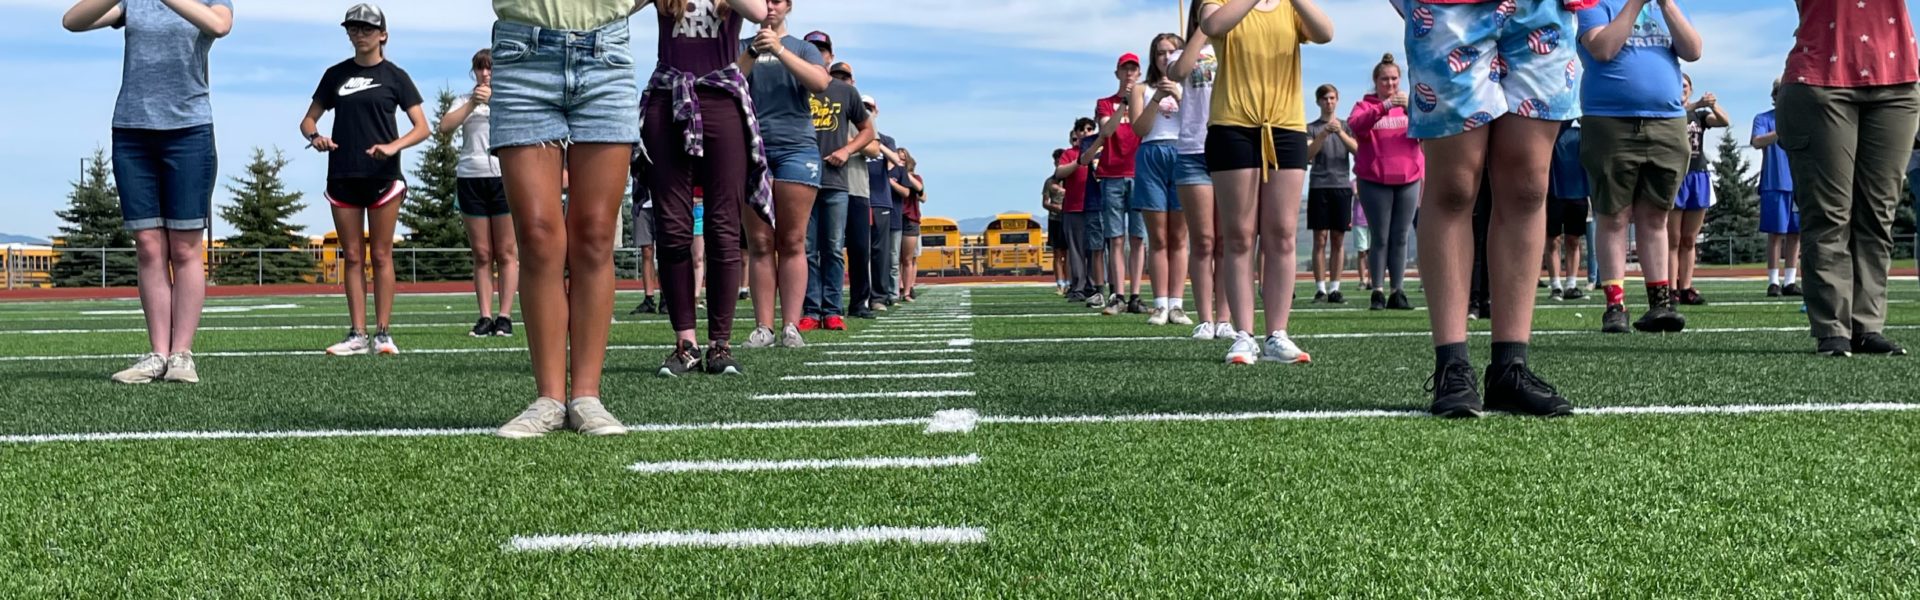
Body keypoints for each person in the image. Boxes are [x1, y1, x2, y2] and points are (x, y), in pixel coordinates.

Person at [491, 0, 685, 438]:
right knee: (538, 236)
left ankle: (586, 398)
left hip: (606, 54)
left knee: (596, 235)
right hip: (522, 53)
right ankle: (548, 400)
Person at [1398, 0, 1588, 418]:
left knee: (1528, 187)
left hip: (1543, 10)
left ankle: (1510, 367)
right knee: (1454, 185)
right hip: (1448, 9)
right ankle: (1451, 365)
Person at [65, 0, 232, 384]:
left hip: (189, 131)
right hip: (131, 131)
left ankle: (181, 354)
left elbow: (219, 25)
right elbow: (72, 21)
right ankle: (157, 354)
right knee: (148, 246)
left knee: (185, 248)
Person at [1776, 0, 1917, 357]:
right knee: (1829, 214)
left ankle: (1867, 326)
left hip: (1897, 78)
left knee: (1878, 214)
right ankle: (1833, 328)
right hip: (1820, 76)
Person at [1197, 0, 1333, 365]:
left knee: (1283, 234)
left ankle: (1278, 334)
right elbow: (1212, 26)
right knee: (1239, 236)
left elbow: (1325, 32)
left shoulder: (1291, 6)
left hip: (1286, 127)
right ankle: (1244, 334)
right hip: (1232, 126)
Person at [300, 4, 427, 358]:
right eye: (353, 28)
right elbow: (308, 121)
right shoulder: (335, 75)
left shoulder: (396, 77)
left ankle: (383, 334)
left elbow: (422, 127)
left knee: (382, 255)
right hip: (343, 174)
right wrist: (316, 138)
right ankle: (357, 334)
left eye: (367, 29)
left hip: (384, 177)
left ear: (383, 35)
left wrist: (392, 147)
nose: (360, 34)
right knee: (353, 257)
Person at [1577, 0, 1700, 334]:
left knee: (1656, 216)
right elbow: (1602, 49)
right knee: (1613, 215)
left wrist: (1666, 4)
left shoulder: (1669, 5)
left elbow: (1693, 51)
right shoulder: (1593, 3)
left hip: (1666, 121)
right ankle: (1615, 306)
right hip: (1609, 120)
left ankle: (1660, 303)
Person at [734, 13, 828, 347]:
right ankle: (764, 327)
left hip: (796, 149)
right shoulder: (740, 45)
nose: (769, 7)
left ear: (788, 6)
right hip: (751, 148)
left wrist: (779, 49)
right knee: (759, 243)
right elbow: (728, 83)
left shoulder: (803, 48)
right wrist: (755, 51)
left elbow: (820, 83)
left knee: (792, 240)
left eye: (776, 0)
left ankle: (791, 325)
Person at [439, 49, 520, 337]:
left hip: (503, 177)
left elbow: (519, 126)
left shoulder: (508, 100)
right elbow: (445, 127)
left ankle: (505, 316)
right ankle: (485, 316)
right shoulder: (464, 100)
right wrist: (474, 103)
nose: (485, 74)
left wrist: (493, 101)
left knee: (506, 251)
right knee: (482, 253)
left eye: (490, 68)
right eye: (480, 68)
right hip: (470, 177)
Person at [1167, 9, 1231, 340]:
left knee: (1228, 241)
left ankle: (1226, 318)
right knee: (1203, 241)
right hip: (1193, 150)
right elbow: (1178, 71)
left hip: (1229, 147)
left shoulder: (1233, 44)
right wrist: (1204, 30)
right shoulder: (1182, 53)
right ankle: (1205, 318)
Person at [799, 59, 874, 332]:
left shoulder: (846, 92)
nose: (817, 55)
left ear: (829, 56)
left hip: (835, 181)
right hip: (803, 178)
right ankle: (810, 310)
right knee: (807, 250)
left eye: (822, 50)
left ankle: (832, 310)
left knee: (832, 249)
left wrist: (846, 150)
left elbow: (869, 132)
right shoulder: (797, 85)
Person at [1127, 33, 1194, 326]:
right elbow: (1139, 129)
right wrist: (1157, 97)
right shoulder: (1141, 89)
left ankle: (1177, 304)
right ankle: (1160, 304)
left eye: (1172, 52)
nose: (1166, 58)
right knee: (1158, 237)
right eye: (1161, 53)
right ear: (1153, 58)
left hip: (1183, 153)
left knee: (1179, 236)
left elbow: (1198, 122)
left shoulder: (1190, 87)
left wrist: (1178, 94)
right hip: (1151, 154)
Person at [1350, 54, 1425, 311]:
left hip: (1409, 177)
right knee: (1380, 236)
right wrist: (1383, 106)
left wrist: (1410, 110)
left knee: (1401, 236)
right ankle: (1378, 291)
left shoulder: (1411, 105)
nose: (1390, 84)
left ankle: (1398, 291)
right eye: (1384, 79)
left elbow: (1428, 129)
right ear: (1376, 81)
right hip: (1374, 179)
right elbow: (1356, 126)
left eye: (1394, 79)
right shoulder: (1364, 105)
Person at [1084, 52, 1149, 316]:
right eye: (1125, 69)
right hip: (1112, 175)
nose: (1129, 73)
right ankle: (1118, 295)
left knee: (1138, 237)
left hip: (1139, 174)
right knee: (1116, 238)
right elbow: (1106, 131)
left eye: (1133, 69)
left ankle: (1136, 295)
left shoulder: (1146, 101)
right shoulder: (1105, 103)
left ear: (1139, 73)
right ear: (1117, 73)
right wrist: (1124, 104)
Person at [1667, 73, 1726, 306]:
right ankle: (1670, 289)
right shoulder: (1669, 110)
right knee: (1672, 239)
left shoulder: (1699, 116)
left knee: (1689, 239)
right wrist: (1698, 104)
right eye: (1677, 85)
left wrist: (1712, 105)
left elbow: (1724, 121)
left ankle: (1685, 287)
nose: (1681, 88)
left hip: (1698, 176)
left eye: (1685, 85)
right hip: (1676, 177)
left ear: (1691, 89)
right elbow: (1678, 112)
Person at [1306, 84, 1356, 305]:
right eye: (1325, 98)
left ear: (1337, 100)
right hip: (1319, 186)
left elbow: (1357, 150)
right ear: (1318, 102)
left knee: (1338, 238)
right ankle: (1320, 289)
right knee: (1320, 239)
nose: (1329, 102)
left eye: (1332, 98)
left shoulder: (1346, 126)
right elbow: (1307, 154)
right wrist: (1324, 133)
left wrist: (1340, 132)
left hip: (1342, 186)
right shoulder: (1311, 128)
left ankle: (1335, 288)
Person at [1752, 82, 1801, 298]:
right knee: (1775, 234)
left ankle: (1790, 281)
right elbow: (1756, 141)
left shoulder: (1801, 119)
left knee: (1795, 234)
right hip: (1774, 183)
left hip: (1798, 183)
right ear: (1774, 96)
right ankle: (1773, 282)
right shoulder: (1763, 119)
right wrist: (1780, 131)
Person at [1056, 119, 1100, 302]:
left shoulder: (1101, 151)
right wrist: (1080, 161)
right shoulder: (1069, 154)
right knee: (1076, 251)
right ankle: (1078, 287)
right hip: (1074, 208)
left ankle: (1094, 286)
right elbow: (1059, 173)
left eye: (1089, 129)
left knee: (1095, 250)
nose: (1085, 132)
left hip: (1095, 207)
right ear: (1076, 133)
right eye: (1081, 129)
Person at [1546, 121, 1590, 300]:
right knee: (1553, 241)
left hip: (1578, 192)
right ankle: (1555, 285)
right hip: (1554, 192)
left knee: (1573, 240)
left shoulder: (1584, 129)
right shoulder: (1553, 127)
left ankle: (1571, 284)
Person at [896, 148, 926, 302]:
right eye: (898, 158)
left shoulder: (914, 177)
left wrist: (905, 174)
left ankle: (908, 289)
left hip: (910, 219)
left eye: (903, 159)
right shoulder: (890, 177)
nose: (901, 162)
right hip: (894, 218)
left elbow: (922, 194)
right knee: (895, 258)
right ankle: (898, 289)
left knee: (909, 258)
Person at [626, 186, 658, 315]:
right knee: (646, 251)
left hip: (663, 202)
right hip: (641, 204)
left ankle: (666, 299)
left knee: (664, 251)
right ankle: (649, 299)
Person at [1043, 167, 1069, 296]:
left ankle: (1070, 283)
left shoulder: (1070, 180)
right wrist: (1055, 207)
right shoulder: (1049, 182)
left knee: (1068, 254)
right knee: (1057, 253)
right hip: (1054, 220)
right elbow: (1045, 203)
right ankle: (1060, 284)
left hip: (1069, 219)